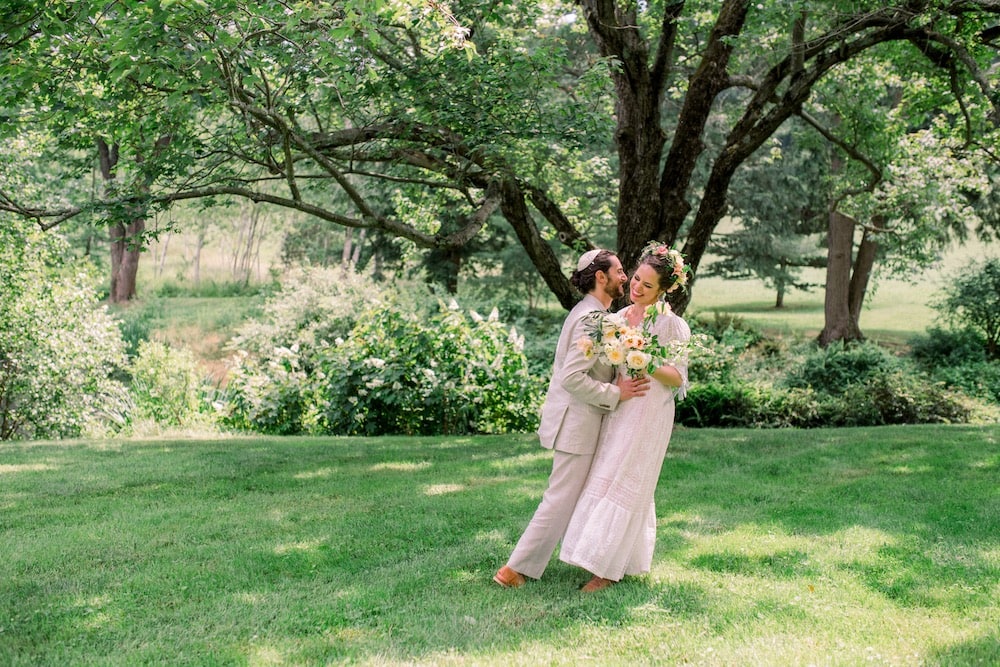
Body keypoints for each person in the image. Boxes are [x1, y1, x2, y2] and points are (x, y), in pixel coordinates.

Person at [493, 248, 650, 588]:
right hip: (577, 424)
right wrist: (616, 393)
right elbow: (572, 377)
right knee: (559, 499)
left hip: (583, 423)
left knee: (569, 497)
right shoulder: (591, 319)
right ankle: (513, 570)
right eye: (620, 271)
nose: (625, 277)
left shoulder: (593, 313)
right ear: (600, 277)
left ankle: (585, 557)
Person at [558, 241, 692, 592]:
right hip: (619, 408)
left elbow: (678, 378)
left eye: (647, 286)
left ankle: (607, 570)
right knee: (608, 471)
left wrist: (643, 354)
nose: (636, 288)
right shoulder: (614, 320)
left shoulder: (673, 325)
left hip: (650, 411)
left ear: (665, 290)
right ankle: (604, 555)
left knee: (630, 478)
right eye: (635, 279)